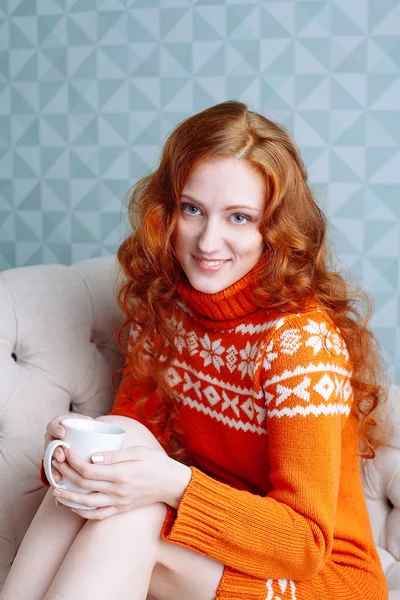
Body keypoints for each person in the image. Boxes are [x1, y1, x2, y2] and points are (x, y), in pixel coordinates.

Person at [0, 100, 390, 600]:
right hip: (218, 542)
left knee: (131, 514)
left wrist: (173, 485)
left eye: (240, 218)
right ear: (167, 211)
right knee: (113, 451)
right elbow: (132, 440)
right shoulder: (167, 307)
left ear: (275, 228)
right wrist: (73, 464)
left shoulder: (299, 343)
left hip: (319, 577)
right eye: (192, 209)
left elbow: (304, 544)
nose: (209, 240)